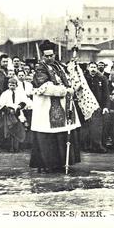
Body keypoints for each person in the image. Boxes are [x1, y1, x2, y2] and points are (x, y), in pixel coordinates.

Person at [29, 40, 81, 172]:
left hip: (63, 106)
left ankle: (62, 162)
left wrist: (72, 85)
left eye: (51, 55)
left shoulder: (59, 66)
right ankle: (48, 164)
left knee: (62, 134)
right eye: (46, 56)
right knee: (49, 137)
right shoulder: (40, 69)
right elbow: (46, 87)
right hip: (47, 108)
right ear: (42, 56)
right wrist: (64, 91)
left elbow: (68, 80)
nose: (49, 58)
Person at [81, 62, 110, 153]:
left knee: (97, 127)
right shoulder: (84, 79)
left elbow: (106, 93)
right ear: (88, 68)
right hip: (86, 105)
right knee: (86, 127)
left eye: (94, 67)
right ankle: (86, 146)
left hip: (98, 106)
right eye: (91, 67)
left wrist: (105, 106)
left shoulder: (102, 78)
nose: (93, 69)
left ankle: (97, 145)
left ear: (97, 68)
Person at [0, 78, 28, 152]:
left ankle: (16, 147)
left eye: (13, 85)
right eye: (10, 85)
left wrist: (20, 106)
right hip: (8, 113)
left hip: (18, 113)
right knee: (9, 130)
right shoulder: (5, 93)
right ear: (8, 85)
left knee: (18, 130)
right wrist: (8, 110)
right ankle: (10, 147)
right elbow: (1, 105)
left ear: (16, 85)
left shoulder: (20, 93)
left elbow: (24, 101)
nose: (12, 86)